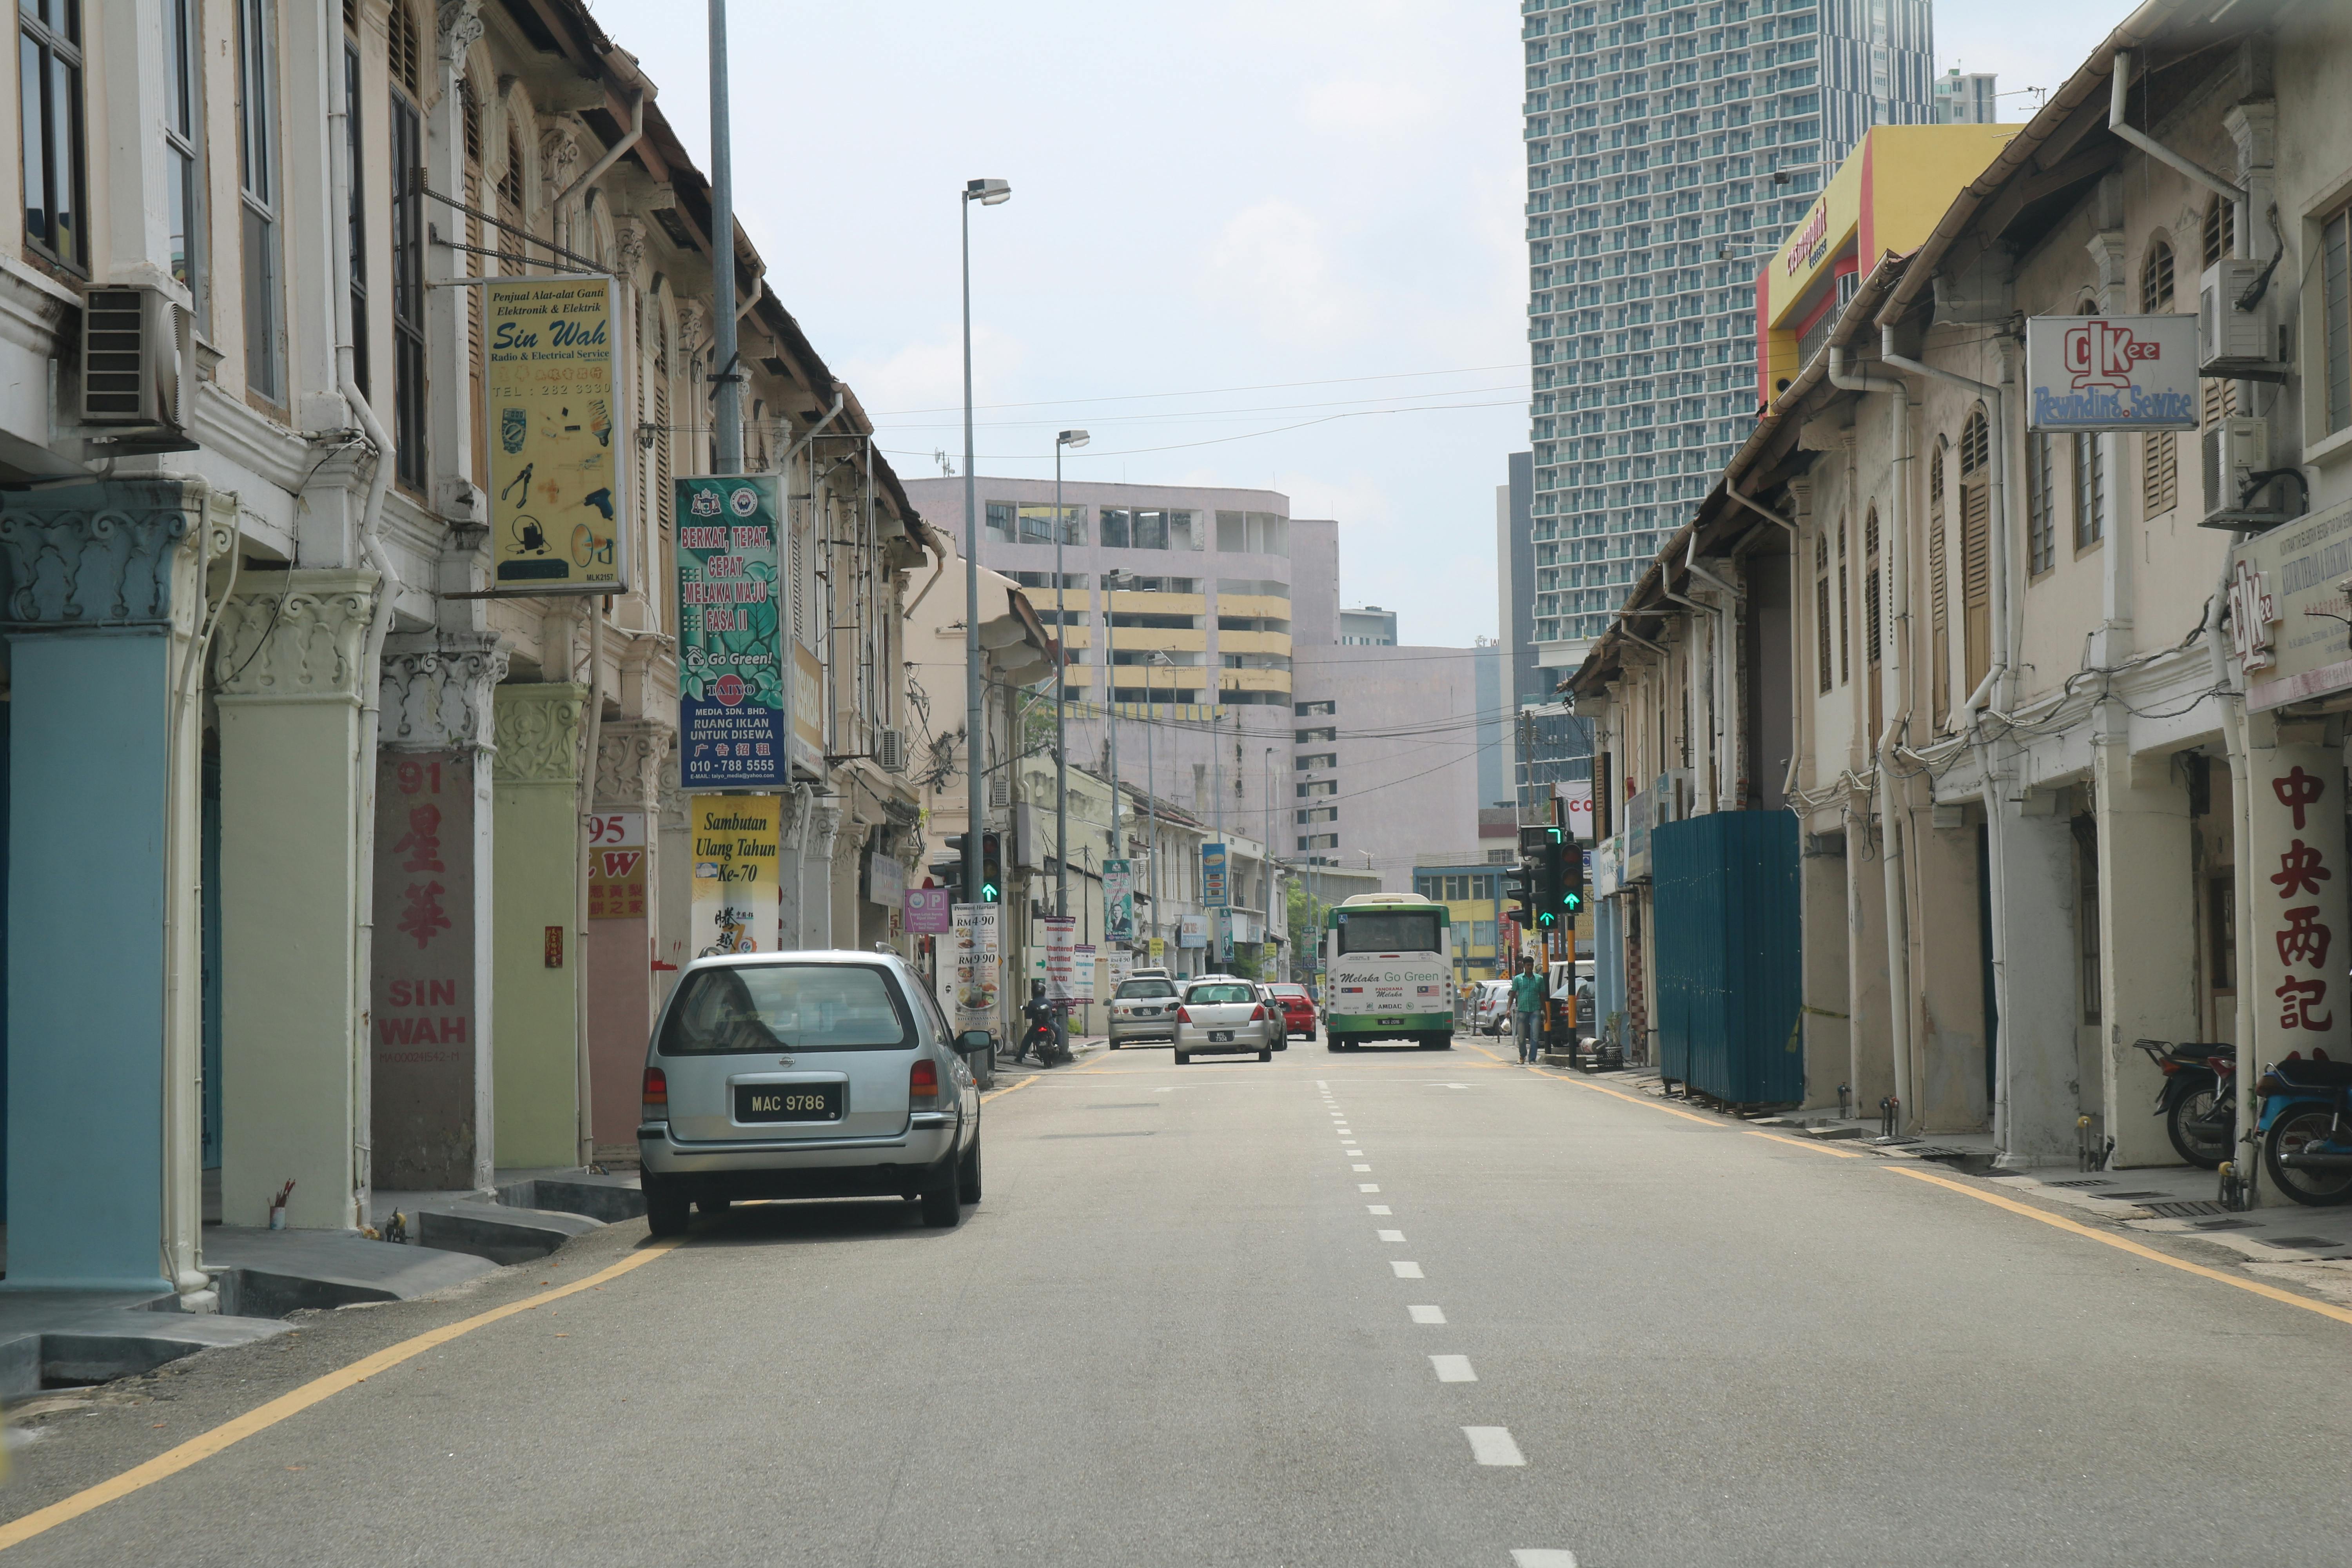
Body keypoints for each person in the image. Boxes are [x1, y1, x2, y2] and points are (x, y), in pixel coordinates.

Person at [1510, 956, 1545, 1065]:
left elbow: (1542, 996)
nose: (1530, 967)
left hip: (1535, 1010)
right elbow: (1512, 994)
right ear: (1524, 966)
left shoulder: (1539, 979)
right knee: (1521, 1036)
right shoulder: (1518, 979)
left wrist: (1546, 1012)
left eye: (1531, 965)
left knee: (1535, 1036)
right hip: (1522, 1010)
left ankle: (1532, 1059)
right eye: (1528, 965)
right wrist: (1508, 1009)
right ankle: (1522, 1056)